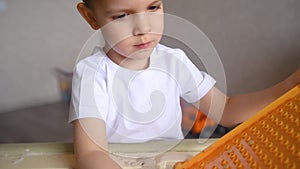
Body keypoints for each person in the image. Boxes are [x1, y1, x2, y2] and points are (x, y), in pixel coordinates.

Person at [68, 0, 300, 168]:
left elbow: (226, 109)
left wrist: (288, 85)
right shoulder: (91, 73)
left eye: (153, 7)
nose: (144, 28)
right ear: (91, 17)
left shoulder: (173, 60)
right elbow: (91, 153)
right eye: (122, 16)